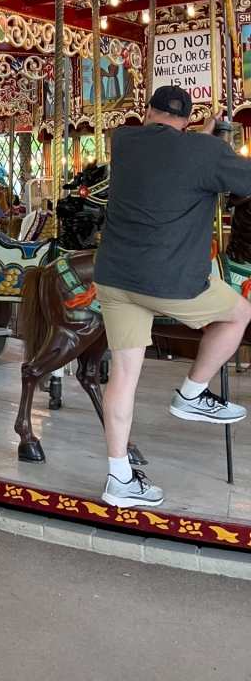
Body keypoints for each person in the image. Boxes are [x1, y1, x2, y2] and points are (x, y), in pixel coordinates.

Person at [94, 86, 251, 509]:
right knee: (239, 312)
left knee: (124, 375)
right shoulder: (203, 152)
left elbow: (173, 148)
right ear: (186, 121)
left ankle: (119, 479)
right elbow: (237, 176)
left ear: (148, 111)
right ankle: (191, 394)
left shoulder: (123, 141)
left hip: (114, 277)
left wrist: (207, 135)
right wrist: (216, 141)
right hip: (169, 279)